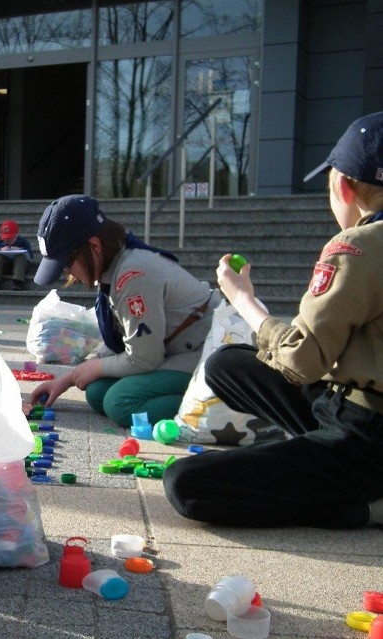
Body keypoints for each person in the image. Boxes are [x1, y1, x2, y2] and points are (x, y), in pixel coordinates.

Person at [163, 111, 383, 529]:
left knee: (186, 484)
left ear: (344, 186)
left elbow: (303, 360)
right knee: (225, 364)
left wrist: (244, 300)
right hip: (348, 402)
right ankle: (311, 461)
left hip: (366, 435)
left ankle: (365, 505)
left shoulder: (359, 246)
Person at [28, 195, 219, 427]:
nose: (68, 274)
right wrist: (67, 379)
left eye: (67, 264)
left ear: (95, 246)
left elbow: (144, 358)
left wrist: (95, 366)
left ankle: (220, 403)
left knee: (120, 403)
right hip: (178, 350)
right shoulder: (117, 263)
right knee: (98, 391)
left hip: (209, 354)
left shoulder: (133, 275)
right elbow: (125, 339)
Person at [0, 219, 34, 290]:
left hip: (20, 268)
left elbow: (31, 255)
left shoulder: (23, 241)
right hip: (6, 267)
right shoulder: (1, 243)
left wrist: (20, 250)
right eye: (6, 239)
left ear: (16, 234)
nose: (8, 241)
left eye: (11, 238)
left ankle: (18, 282)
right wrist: (0, 250)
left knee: (20, 257)